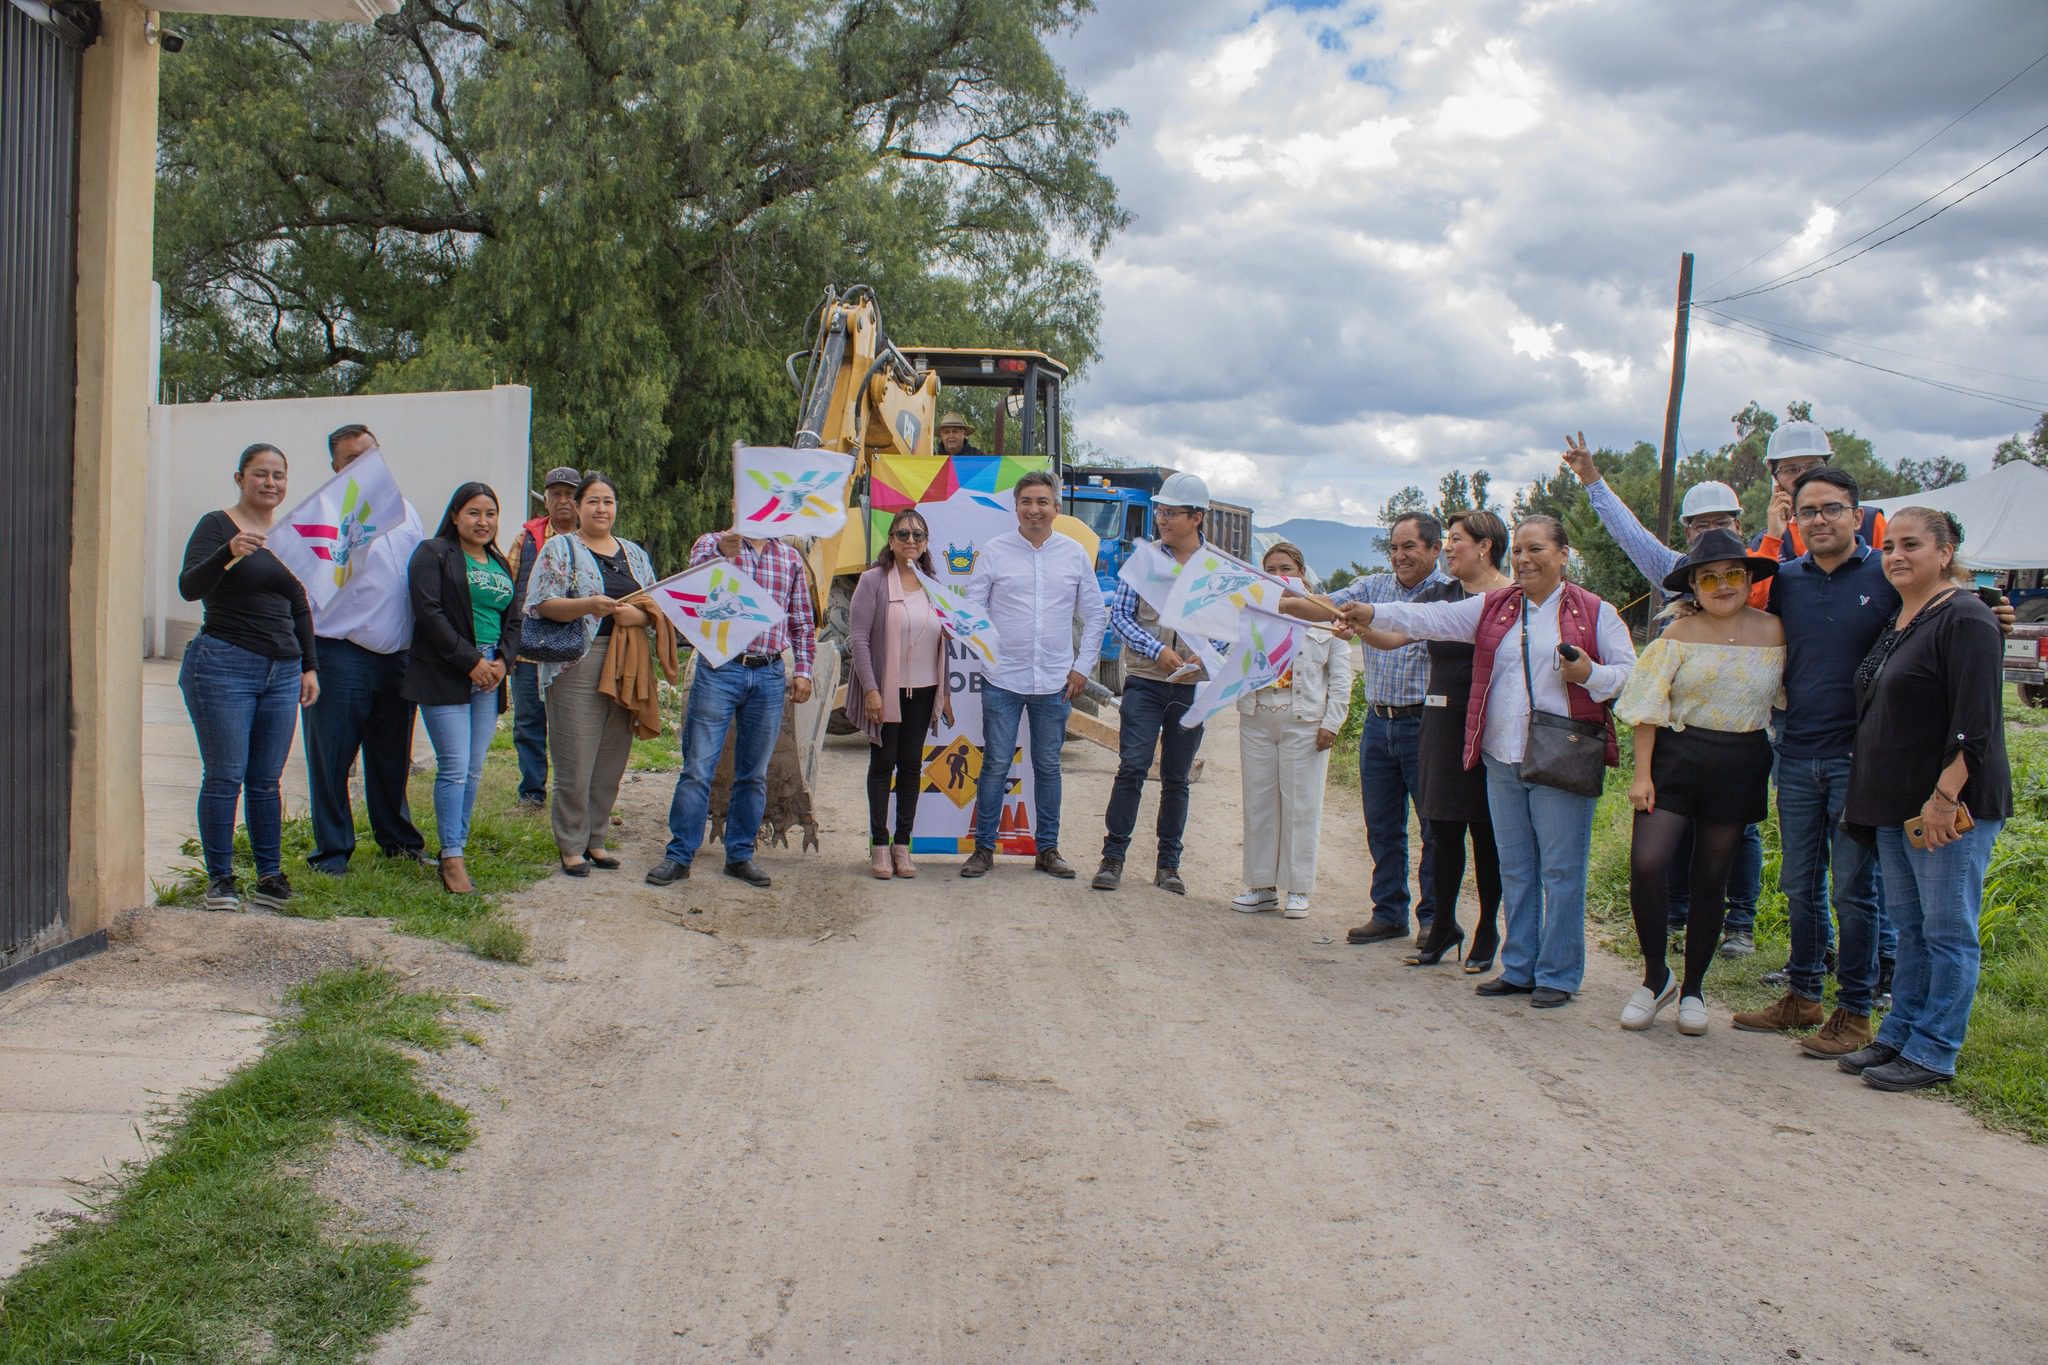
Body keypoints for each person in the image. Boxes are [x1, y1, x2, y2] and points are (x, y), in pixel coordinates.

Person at [1344, 516, 1635, 1008]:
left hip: (1562, 754)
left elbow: (1627, 677)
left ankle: (1559, 974)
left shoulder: (1595, 612)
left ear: (1564, 554)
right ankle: (1519, 967)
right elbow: (1424, 620)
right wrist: (1370, 611)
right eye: (1519, 550)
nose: (1524, 559)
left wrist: (1590, 674)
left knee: (1561, 872)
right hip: (1502, 756)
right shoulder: (1494, 606)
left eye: (1536, 549)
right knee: (1518, 867)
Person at [1562, 432, 1766, 957]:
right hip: (1679, 728)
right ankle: (1675, 915)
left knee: (1736, 834)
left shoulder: (1763, 573)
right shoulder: (1675, 572)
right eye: (1700, 524)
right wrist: (1592, 481)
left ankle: (1738, 922)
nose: (1710, 532)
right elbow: (1629, 534)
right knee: (1672, 829)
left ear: (1740, 526)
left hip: (1742, 731)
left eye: (1720, 523)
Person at [1837, 509, 2011, 1091]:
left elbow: (1976, 719)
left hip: (1946, 807)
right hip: (1893, 804)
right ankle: (1900, 1033)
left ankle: (1935, 1050)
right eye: (1889, 547)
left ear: (1945, 551)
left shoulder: (1966, 617)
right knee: (1910, 929)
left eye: (1911, 545)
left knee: (1947, 930)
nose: (1897, 556)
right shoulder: (1903, 617)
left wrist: (1944, 797)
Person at [1730, 467, 1893, 1051]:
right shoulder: (1786, 580)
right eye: (1808, 512)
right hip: (1795, 751)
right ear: (1793, 519)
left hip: (1860, 757)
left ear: (1856, 513)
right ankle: (1802, 995)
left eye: (1832, 509)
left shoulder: (1886, 573)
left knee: (1854, 888)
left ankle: (1854, 1009)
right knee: (1800, 885)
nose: (1820, 520)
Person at [1613, 531, 1785, 1036]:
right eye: (1708, 578)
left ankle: (1694, 990)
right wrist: (1642, 775)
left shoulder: (1776, 631)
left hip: (1741, 761)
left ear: (1750, 580)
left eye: (1733, 574)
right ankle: (1655, 978)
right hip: (1676, 758)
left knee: (1712, 879)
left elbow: (1789, 697)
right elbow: (1646, 706)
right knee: (1648, 864)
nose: (1722, 585)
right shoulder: (1676, 637)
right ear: (1693, 587)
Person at [1349, 511, 1513, 969]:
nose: (1448, 548)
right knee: (1440, 828)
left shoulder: (1511, 599)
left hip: (1483, 723)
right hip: (1438, 724)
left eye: (1456, 539)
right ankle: (1442, 926)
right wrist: (1360, 625)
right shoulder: (1441, 594)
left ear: (1484, 546)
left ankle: (1485, 931)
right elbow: (1397, 634)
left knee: (1484, 833)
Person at [1278, 513, 1450, 946]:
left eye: (1409, 547)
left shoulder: (1450, 594)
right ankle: (1389, 912)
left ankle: (1434, 918)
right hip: (1379, 723)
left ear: (1435, 549)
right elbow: (1318, 605)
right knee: (1382, 825)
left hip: (1427, 724)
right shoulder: (1371, 586)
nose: (1399, 556)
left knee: (1433, 828)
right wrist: (1270, 596)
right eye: (1393, 547)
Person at [176, 443, 320, 912]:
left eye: (279, 475)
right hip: (223, 663)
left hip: (282, 670)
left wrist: (309, 665)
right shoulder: (218, 525)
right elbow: (189, 587)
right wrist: (228, 552)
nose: (271, 483)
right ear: (240, 478)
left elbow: (299, 602)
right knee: (225, 775)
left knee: (266, 779)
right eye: (261, 474)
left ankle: (269, 876)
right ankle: (220, 879)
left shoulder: (289, 534)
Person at [645, 516, 817, 889]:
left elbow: (802, 621)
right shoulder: (712, 544)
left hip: (769, 674)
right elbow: (694, 585)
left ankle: (740, 856)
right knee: (697, 768)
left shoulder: (788, 559)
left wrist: (803, 670)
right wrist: (721, 552)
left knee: (753, 774)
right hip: (720, 670)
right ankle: (679, 855)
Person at [958, 470, 1106, 879]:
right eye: (1026, 502)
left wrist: (1081, 667)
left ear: (1056, 508)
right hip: (1002, 680)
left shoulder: (1074, 554)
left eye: (1043, 502)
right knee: (995, 765)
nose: (1034, 510)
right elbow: (973, 609)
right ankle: (983, 849)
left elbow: (1095, 615)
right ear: (1016, 507)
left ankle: (1048, 849)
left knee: (1048, 768)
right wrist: (986, 655)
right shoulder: (995, 551)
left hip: (1056, 682)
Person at [1093, 471, 1227, 896]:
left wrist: (1201, 655)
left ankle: (1169, 866)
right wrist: (1157, 650)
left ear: (1197, 518)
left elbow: (1229, 626)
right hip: (1147, 682)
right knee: (1132, 766)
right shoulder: (1145, 560)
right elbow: (1121, 616)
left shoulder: (1217, 570)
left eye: (1171, 513)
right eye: (1160, 512)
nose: (1163, 520)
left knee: (1176, 776)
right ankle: (1112, 858)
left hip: (1192, 688)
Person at [302, 423, 427, 876]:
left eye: (369, 453)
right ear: (336, 468)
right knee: (332, 757)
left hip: (397, 655)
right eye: (351, 459)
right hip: (341, 652)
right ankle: (332, 852)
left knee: (392, 755)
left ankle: (397, 841)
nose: (362, 463)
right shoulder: (327, 514)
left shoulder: (407, 511)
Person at [527, 474, 657, 876]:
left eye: (609, 501)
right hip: (577, 661)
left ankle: (596, 838)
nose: (602, 509)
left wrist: (639, 616)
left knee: (611, 758)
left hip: (627, 661)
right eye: (594, 501)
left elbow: (656, 603)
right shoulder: (560, 548)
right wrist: (586, 605)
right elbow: (539, 603)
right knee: (575, 758)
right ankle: (571, 844)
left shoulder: (633, 553)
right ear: (578, 507)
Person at [405, 483, 517, 895]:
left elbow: (515, 619)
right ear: (455, 515)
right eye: (473, 512)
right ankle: (451, 858)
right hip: (448, 671)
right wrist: (471, 662)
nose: (483, 521)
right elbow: (429, 614)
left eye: (490, 513)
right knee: (453, 766)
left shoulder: (499, 562)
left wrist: (502, 661)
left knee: (473, 767)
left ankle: (459, 846)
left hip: (491, 672)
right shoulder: (432, 553)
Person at [1233, 540, 1354, 918]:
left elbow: (1339, 674)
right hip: (1257, 715)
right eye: (1269, 569)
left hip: (1303, 719)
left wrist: (1332, 722)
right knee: (1259, 804)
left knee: (1301, 805)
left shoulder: (1324, 613)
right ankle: (1260, 884)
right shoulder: (1252, 612)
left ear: (1301, 573)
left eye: (1285, 568)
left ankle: (1298, 888)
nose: (1278, 576)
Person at [846, 509, 954, 878]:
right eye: (903, 534)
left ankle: (902, 845)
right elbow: (858, 638)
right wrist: (871, 689)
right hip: (886, 692)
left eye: (918, 536)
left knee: (911, 767)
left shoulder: (933, 584)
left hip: (924, 691)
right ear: (891, 540)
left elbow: (945, 643)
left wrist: (947, 694)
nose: (911, 541)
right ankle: (879, 844)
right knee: (882, 765)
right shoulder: (873, 581)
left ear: (926, 544)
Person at [505, 466, 583, 808]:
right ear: (546, 500)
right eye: (556, 494)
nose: (563, 501)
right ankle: (532, 792)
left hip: (575, 652)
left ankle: (572, 794)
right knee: (528, 723)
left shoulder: (592, 538)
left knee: (573, 726)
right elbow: (508, 590)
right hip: (529, 649)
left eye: (570, 494)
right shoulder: (526, 539)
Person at [1756, 420, 1886, 565]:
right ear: (1775, 476)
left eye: (1813, 466)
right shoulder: (1764, 541)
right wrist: (1773, 538)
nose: (1803, 476)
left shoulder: (1870, 522)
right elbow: (1755, 587)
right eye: (1791, 470)